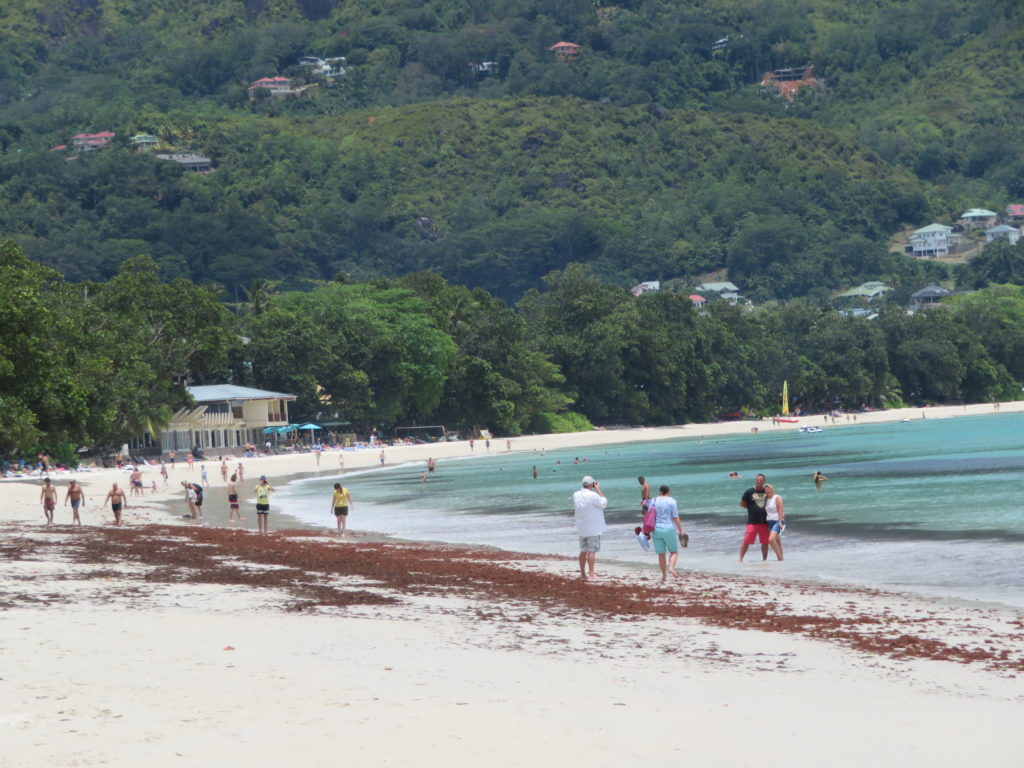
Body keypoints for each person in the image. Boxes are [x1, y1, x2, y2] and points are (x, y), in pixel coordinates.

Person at [572, 475, 608, 581]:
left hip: (581, 527)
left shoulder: (576, 495)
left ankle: (583, 573)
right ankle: (592, 573)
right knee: (592, 551)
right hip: (593, 527)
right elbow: (603, 503)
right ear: (592, 484)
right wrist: (598, 489)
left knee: (583, 550)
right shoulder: (593, 495)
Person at [651, 485, 687, 581]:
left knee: (661, 554)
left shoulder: (654, 500)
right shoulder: (672, 501)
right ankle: (671, 568)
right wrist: (681, 530)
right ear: (668, 492)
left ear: (660, 492)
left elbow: (649, 514)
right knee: (674, 551)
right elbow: (675, 517)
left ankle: (664, 576)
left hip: (656, 529)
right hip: (668, 529)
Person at [739, 473, 770, 562]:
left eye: (761, 480)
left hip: (764, 521)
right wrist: (752, 508)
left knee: (765, 542)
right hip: (752, 521)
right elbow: (742, 504)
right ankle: (741, 559)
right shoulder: (749, 491)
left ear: (764, 481)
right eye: (757, 480)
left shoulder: (766, 492)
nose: (759, 481)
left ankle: (764, 560)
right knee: (747, 540)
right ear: (755, 480)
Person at [764, 483, 785, 561]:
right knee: (778, 543)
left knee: (771, 540)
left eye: (769, 489)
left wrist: (780, 521)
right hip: (769, 522)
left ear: (772, 489)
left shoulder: (777, 497)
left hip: (777, 522)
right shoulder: (766, 499)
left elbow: (780, 510)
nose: (767, 491)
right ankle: (782, 560)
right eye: (766, 490)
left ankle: (779, 558)